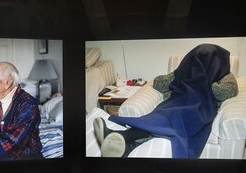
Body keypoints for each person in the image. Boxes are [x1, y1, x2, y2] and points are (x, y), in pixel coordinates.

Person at [94, 43, 238, 158]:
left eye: (205, 62)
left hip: (201, 110)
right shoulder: (185, 70)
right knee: (161, 116)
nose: (199, 65)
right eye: (196, 61)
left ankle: (122, 136)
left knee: (173, 118)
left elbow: (229, 91)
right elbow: (158, 83)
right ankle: (126, 146)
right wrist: (181, 72)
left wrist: (205, 79)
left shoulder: (224, 75)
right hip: (176, 101)